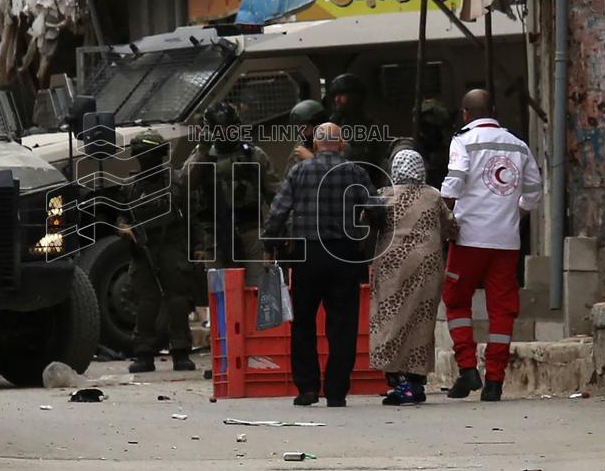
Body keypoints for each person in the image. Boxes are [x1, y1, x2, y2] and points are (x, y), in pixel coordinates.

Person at [262, 123, 385, 408]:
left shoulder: (299, 171)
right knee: (342, 325)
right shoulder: (355, 172)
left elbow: (278, 211)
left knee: (303, 322)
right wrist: (364, 222)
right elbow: (377, 209)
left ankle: (307, 388)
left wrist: (269, 244)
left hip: (307, 255)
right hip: (345, 255)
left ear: (316, 145)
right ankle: (336, 392)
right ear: (341, 144)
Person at [441, 90, 542, 402]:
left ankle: (467, 369)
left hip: (468, 239)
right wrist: (516, 212)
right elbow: (534, 190)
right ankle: (495, 381)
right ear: (494, 110)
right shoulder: (518, 144)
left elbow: (455, 179)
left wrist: (443, 213)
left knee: (456, 301)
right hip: (506, 242)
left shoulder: (463, 140)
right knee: (502, 308)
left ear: (465, 114)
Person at [369, 150, 455, 405]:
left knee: (390, 319)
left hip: (392, 267)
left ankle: (399, 382)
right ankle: (415, 383)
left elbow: (367, 220)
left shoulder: (384, 195)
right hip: (427, 265)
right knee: (421, 321)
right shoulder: (433, 195)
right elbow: (451, 226)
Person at [119, 129, 199, 374]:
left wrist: (198, 247)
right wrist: (123, 228)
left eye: (149, 155)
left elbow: (193, 217)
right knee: (146, 303)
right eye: (142, 155)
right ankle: (144, 353)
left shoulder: (176, 182)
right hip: (144, 250)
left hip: (172, 246)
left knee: (177, 301)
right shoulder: (130, 187)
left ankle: (180, 351)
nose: (145, 160)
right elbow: (121, 216)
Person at [184, 102, 280, 289]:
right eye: (219, 129)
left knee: (255, 290)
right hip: (215, 235)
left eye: (229, 128)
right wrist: (202, 151)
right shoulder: (201, 156)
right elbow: (184, 184)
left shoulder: (253, 154)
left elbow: (275, 195)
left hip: (250, 231)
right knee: (219, 293)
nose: (225, 133)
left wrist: (278, 231)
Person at [328, 73, 389, 188]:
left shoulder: (373, 128)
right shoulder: (330, 127)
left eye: (342, 95)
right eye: (335, 95)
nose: (337, 99)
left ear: (355, 97)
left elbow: (382, 164)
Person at [285, 98, 329, 175]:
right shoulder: (301, 145)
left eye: (304, 128)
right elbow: (288, 177)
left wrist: (312, 160)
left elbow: (336, 177)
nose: (302, 134)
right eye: (298, 129)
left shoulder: (338, 146)